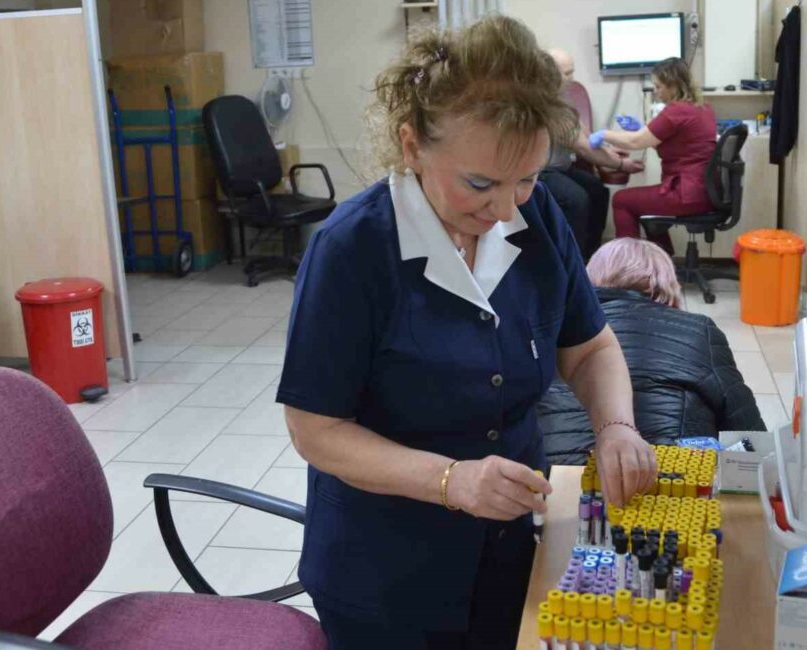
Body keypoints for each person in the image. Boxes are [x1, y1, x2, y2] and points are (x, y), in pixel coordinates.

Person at [276, 16, 658, 650]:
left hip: (510, 549)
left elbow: (589, 348)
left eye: (528, 178)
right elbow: (315, 430)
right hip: (386, 575)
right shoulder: (353, 250)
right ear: (412, 145)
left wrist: (617, 427)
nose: (507, 208)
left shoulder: (533, 216)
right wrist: (452, 481)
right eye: (480, 183)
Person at [537, 239, 766, 465]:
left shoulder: (552, 329)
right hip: (668, 482)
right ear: (667, 283)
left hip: (550, 478)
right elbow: (751, 436)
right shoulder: (699, 330)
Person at [589, 57, 717, 253]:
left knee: (622, 200)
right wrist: (641, 129)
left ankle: (629, 267)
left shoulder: (677, 110)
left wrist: (604, 134)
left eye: (658, 86)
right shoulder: (702, 108)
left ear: (673, 85)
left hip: (686, 194)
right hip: (703, 191)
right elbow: (674, 146)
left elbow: (635, 142)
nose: (655, 91)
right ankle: (662, 259)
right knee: (643, 202)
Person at [540, 48, 645, 259]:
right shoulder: (544, 102)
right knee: (577, 199)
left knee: (597, 190)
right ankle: (574, 261)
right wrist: (621, 165)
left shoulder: (562, 97)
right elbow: (582, 147)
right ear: (548, 73)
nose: (572, 79)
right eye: (566, 73)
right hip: (541, 171)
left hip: (562, 167)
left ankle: (592, 257)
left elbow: (585, 135)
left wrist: (608, 149)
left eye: (572, 72)